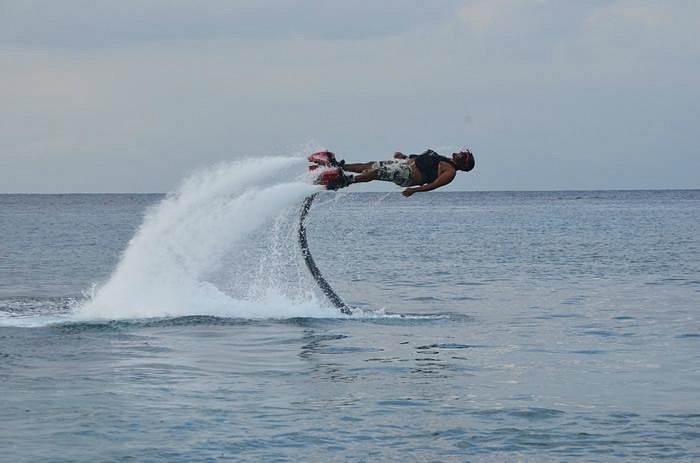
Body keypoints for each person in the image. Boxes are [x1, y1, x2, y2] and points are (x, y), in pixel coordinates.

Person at [341, 149, 475, 197]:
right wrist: (404, 157)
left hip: (408, 176)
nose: (460, 153)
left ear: (463, 165)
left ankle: (347, 180)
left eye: (463, 156)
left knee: (378, 172)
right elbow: (422, 161)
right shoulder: (445, 159)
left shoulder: (450, 172)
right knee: (370, 165)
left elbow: (433, 185)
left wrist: (413, 190)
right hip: (403, 165)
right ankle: (339, 167)